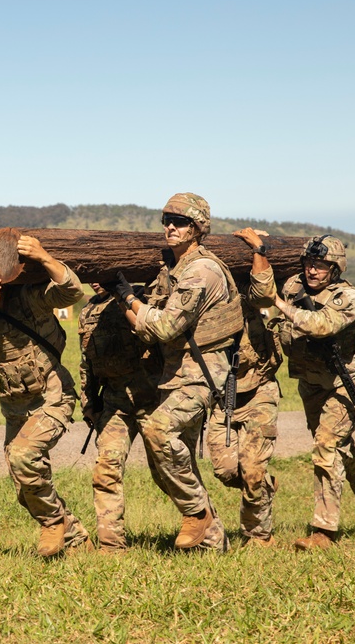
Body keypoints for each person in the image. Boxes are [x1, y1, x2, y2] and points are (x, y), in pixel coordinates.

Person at [107, 192, 242, 553]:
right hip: (176, 373)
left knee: (157, 430)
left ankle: (197, 513)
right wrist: (124, 301)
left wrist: (130, 299)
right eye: (166, 220)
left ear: (197, 227)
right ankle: (213, 542)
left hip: (203, 373)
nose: (170, 226)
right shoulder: (175, 269)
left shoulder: (201, 271)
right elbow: (149, 328)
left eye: (179, 221)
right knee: (164, 461)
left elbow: (165, 327)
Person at [0, 238, 92, 557]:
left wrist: (42, 255)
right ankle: (78, 539)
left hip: (53, 397)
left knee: (23, 457)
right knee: (25, 491)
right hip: (14, 409)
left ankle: (53, 522)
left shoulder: (28, 298)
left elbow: (72, 291)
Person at [273, 234, 355, 551]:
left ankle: (323, 532)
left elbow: (320, 326)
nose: (313, 271)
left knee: (326, 446)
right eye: (309, 263)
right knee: (339, 449)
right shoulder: (293, 287)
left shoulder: (348, 297)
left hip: (343, 383)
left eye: (321, 265)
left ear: (335, 268)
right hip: (311, 382)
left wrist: (280, 305)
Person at [204, 227, 284, 548]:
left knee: (251, 470)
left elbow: (265, 295)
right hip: (222, 397)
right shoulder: (206, 296)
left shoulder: (249, 296)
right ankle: (262, 487)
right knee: (225, 471)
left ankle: (259, 536)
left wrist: (259, 250)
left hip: (258, 390)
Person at [78, 282, 162, 553]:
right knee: (106, 470)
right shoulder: (88, 311)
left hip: (154, 398)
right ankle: (112, 547)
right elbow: (87, 361)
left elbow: (159, 335)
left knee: (169, 471)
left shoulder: (140, 298)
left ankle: (205, 527)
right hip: (114, 401)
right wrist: (89, 400)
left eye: (103, 273)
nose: (95, 279)